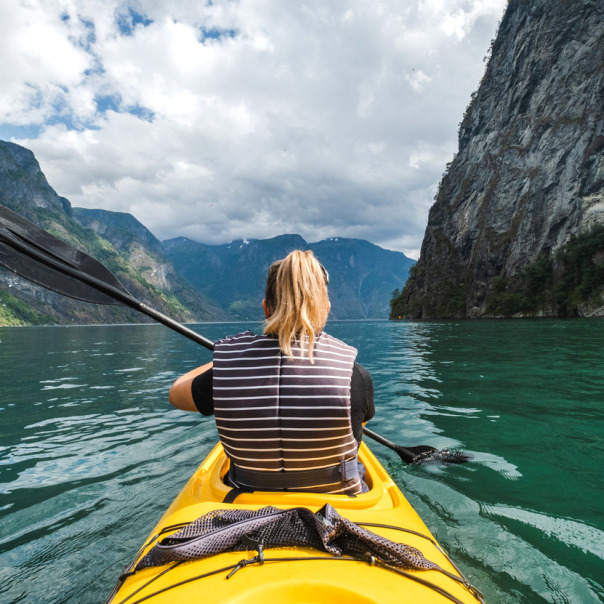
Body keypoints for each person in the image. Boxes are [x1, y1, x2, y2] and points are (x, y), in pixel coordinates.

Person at [169, 250, 374, 494]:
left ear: (266, 308)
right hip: (340, 508)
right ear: (326, 309)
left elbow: (176, 394)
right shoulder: (355, 375)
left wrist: (225, 360)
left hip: (245, 509)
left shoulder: (225, 370)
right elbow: (361, 420)